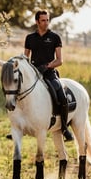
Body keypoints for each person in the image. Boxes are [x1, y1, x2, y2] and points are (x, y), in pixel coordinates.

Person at [23, 10, 74, 142]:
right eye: (43, 20)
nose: (46, 23)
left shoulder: (55, 37)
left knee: (62, 96)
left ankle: (64, 128)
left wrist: (46, 66)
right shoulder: (30, 38)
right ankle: (20, 127)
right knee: (17, 93)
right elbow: (25, 58)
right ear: (37, 22)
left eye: (47, 20)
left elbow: (59, 60)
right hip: (34, 74)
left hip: (49, 73)